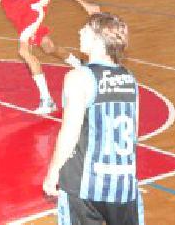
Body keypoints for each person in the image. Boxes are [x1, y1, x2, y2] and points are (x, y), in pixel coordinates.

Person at [42, 13, 143, 225]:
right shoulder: (130, 79)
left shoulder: (79, 77)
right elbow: (134, 133)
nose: (79, 32)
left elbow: (70, 133)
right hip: (123, 184)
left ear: (98, 40)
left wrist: (53, 172)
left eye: (85, 30)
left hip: (85, 185)